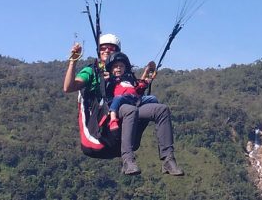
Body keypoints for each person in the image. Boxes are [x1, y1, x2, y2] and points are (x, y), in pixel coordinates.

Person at [63, 34, 184, 176]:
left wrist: (145, 77)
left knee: (161, 110)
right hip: (102, 128)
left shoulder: (124, 73)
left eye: (111, 48)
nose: (107, 50)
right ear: (98, 50)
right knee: (130, 109)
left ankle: (168, 160)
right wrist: (73, 61)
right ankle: (128, 161)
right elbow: (68, 87)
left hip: (123, 121)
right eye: (103, 48)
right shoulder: (92, 72)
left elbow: (134, 90)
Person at [105, 52, 158, 132]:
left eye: (121, 66)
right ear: (111, 69)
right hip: (124, 98)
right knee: (117, 98)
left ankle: (155, 115)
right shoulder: (112, 79)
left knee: (153, 98)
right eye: (116, 66)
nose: (119, 68)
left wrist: (144, 83)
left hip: (136, 99)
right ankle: (113, 118)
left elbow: (137, 88)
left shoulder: (129, 80)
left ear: (125, 68)